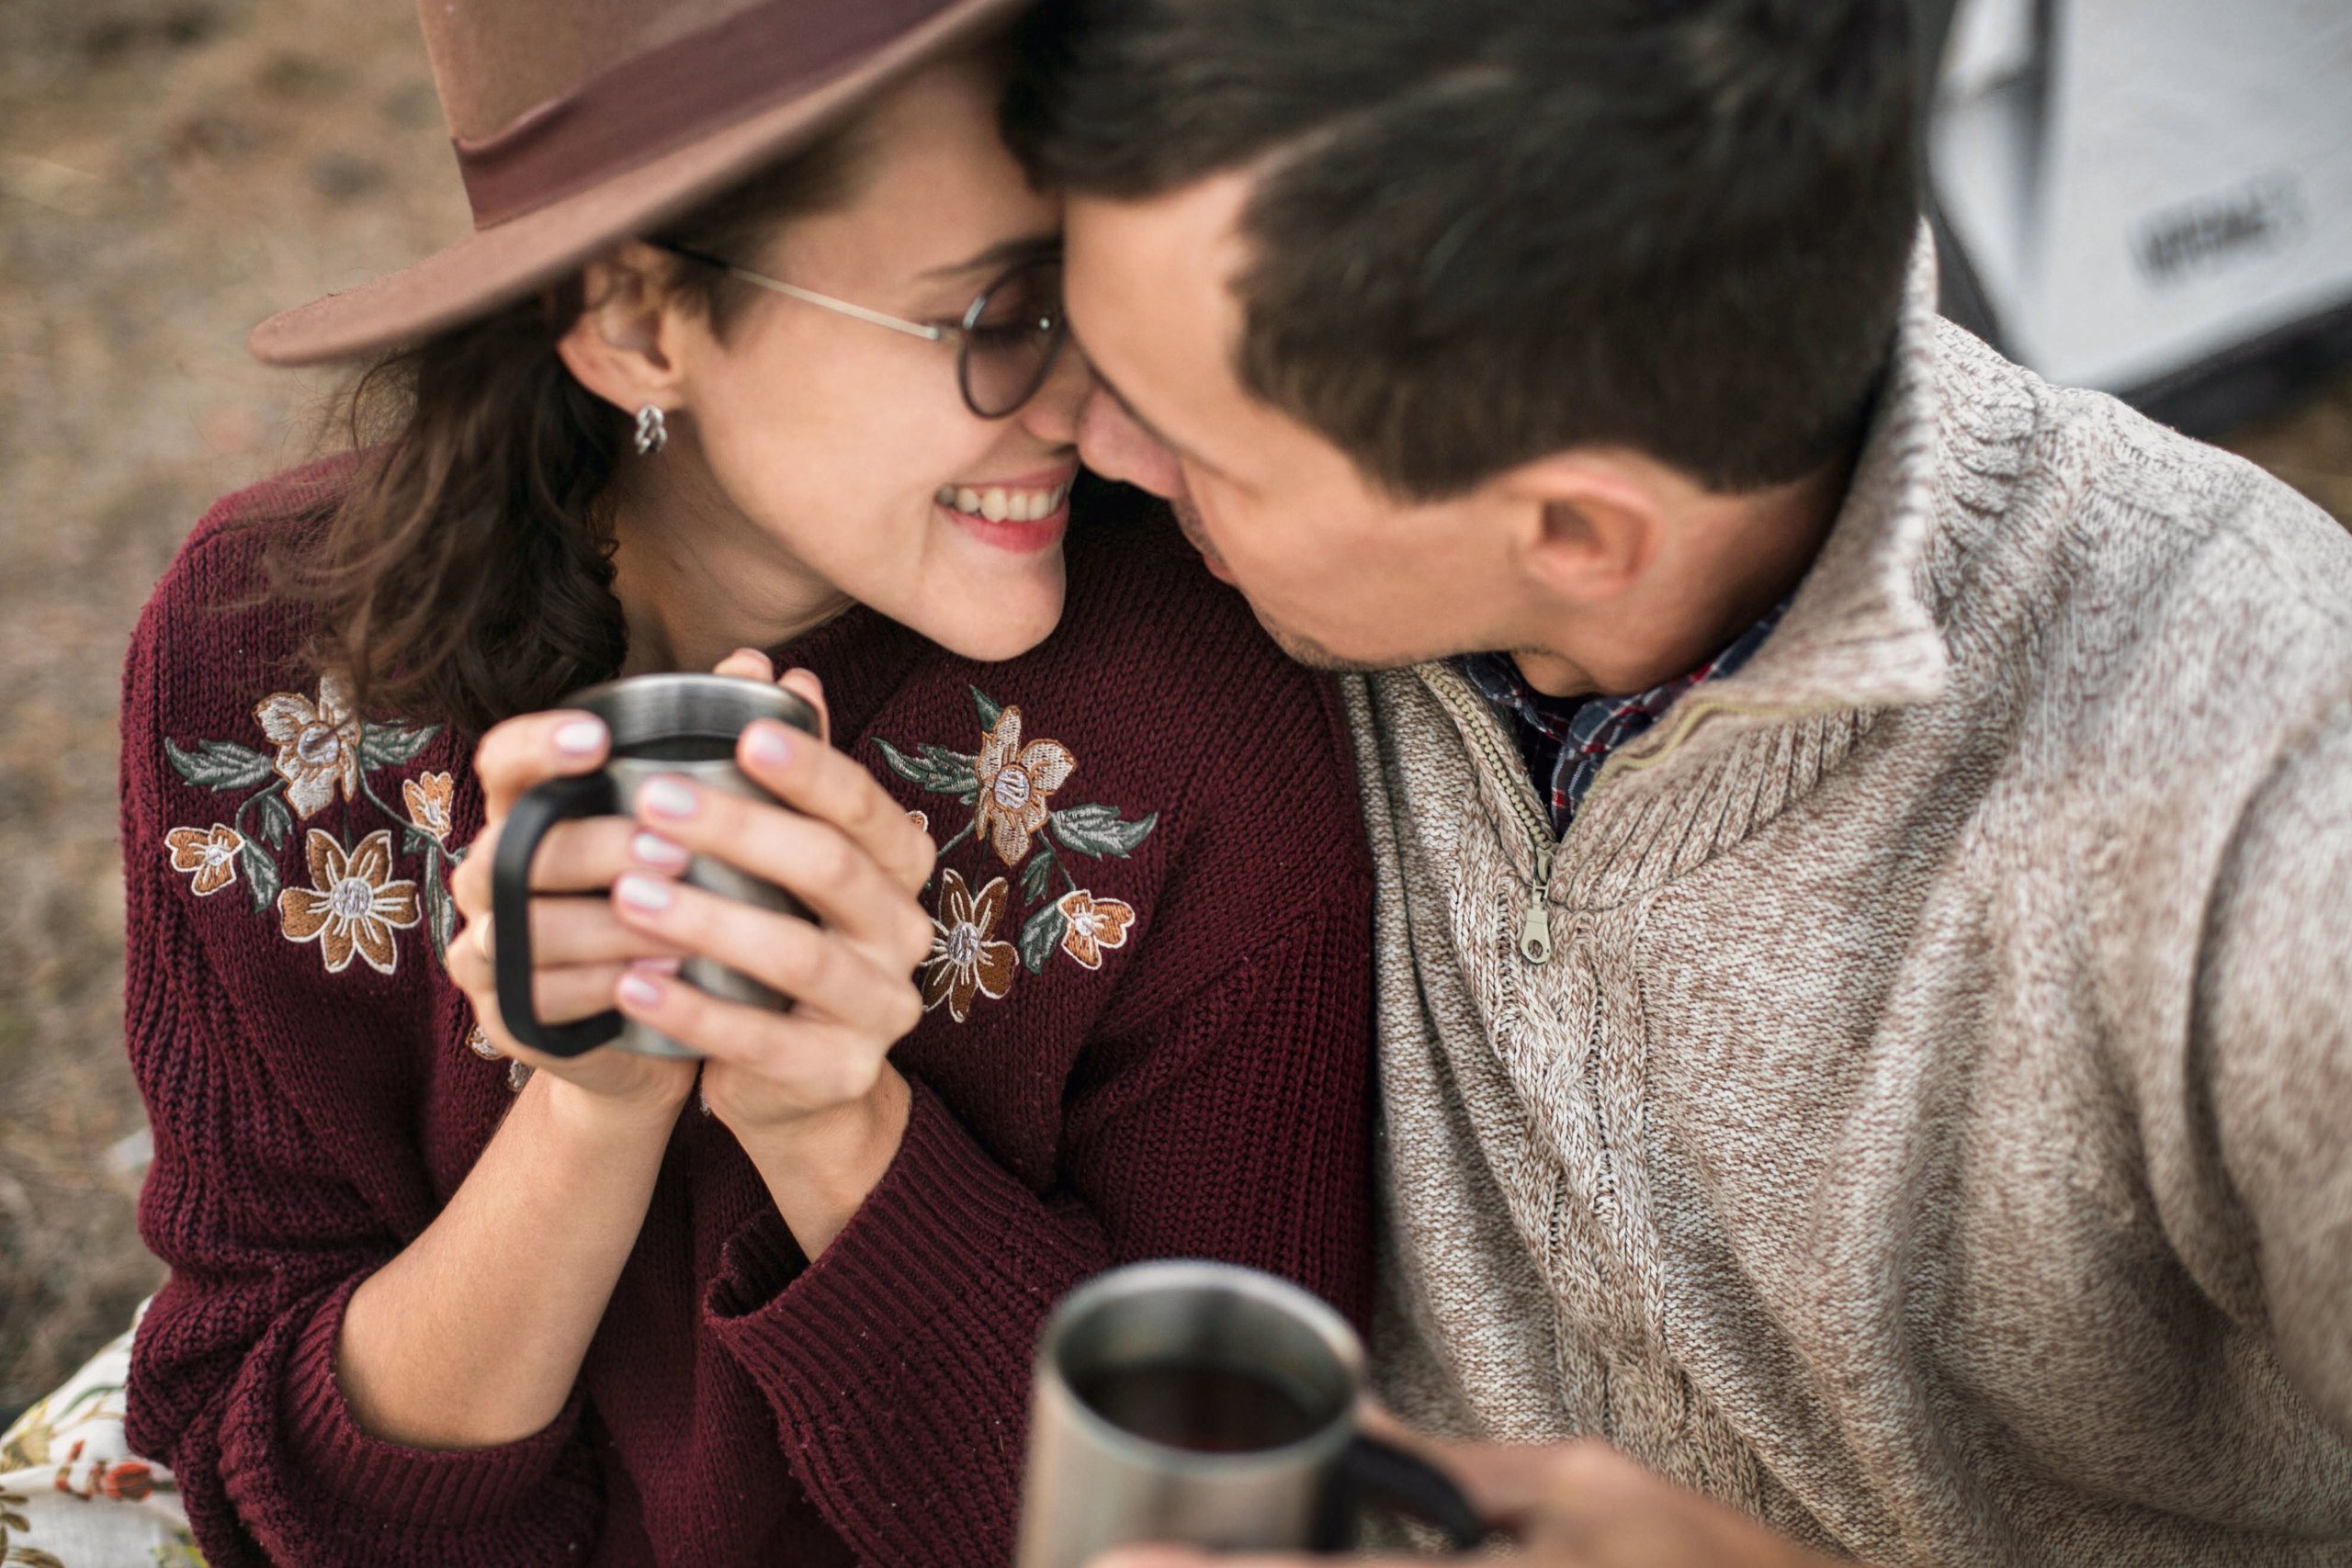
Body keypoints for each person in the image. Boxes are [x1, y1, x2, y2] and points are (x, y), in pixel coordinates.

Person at [1005, 0, 2352, 1562]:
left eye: (1191, 443)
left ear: (1577, 533)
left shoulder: (2277, 809)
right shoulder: (1307, 568)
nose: (1088, 447)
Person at [117, 3, 1377, 1564]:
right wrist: (592, 1110)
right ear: (641, 322)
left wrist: (834, 1122)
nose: (1094, 411)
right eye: (993, 312)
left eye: (1095, 297)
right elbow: (267, 1494)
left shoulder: (1194, 732)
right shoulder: (273, 663)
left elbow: (1229, 1522)